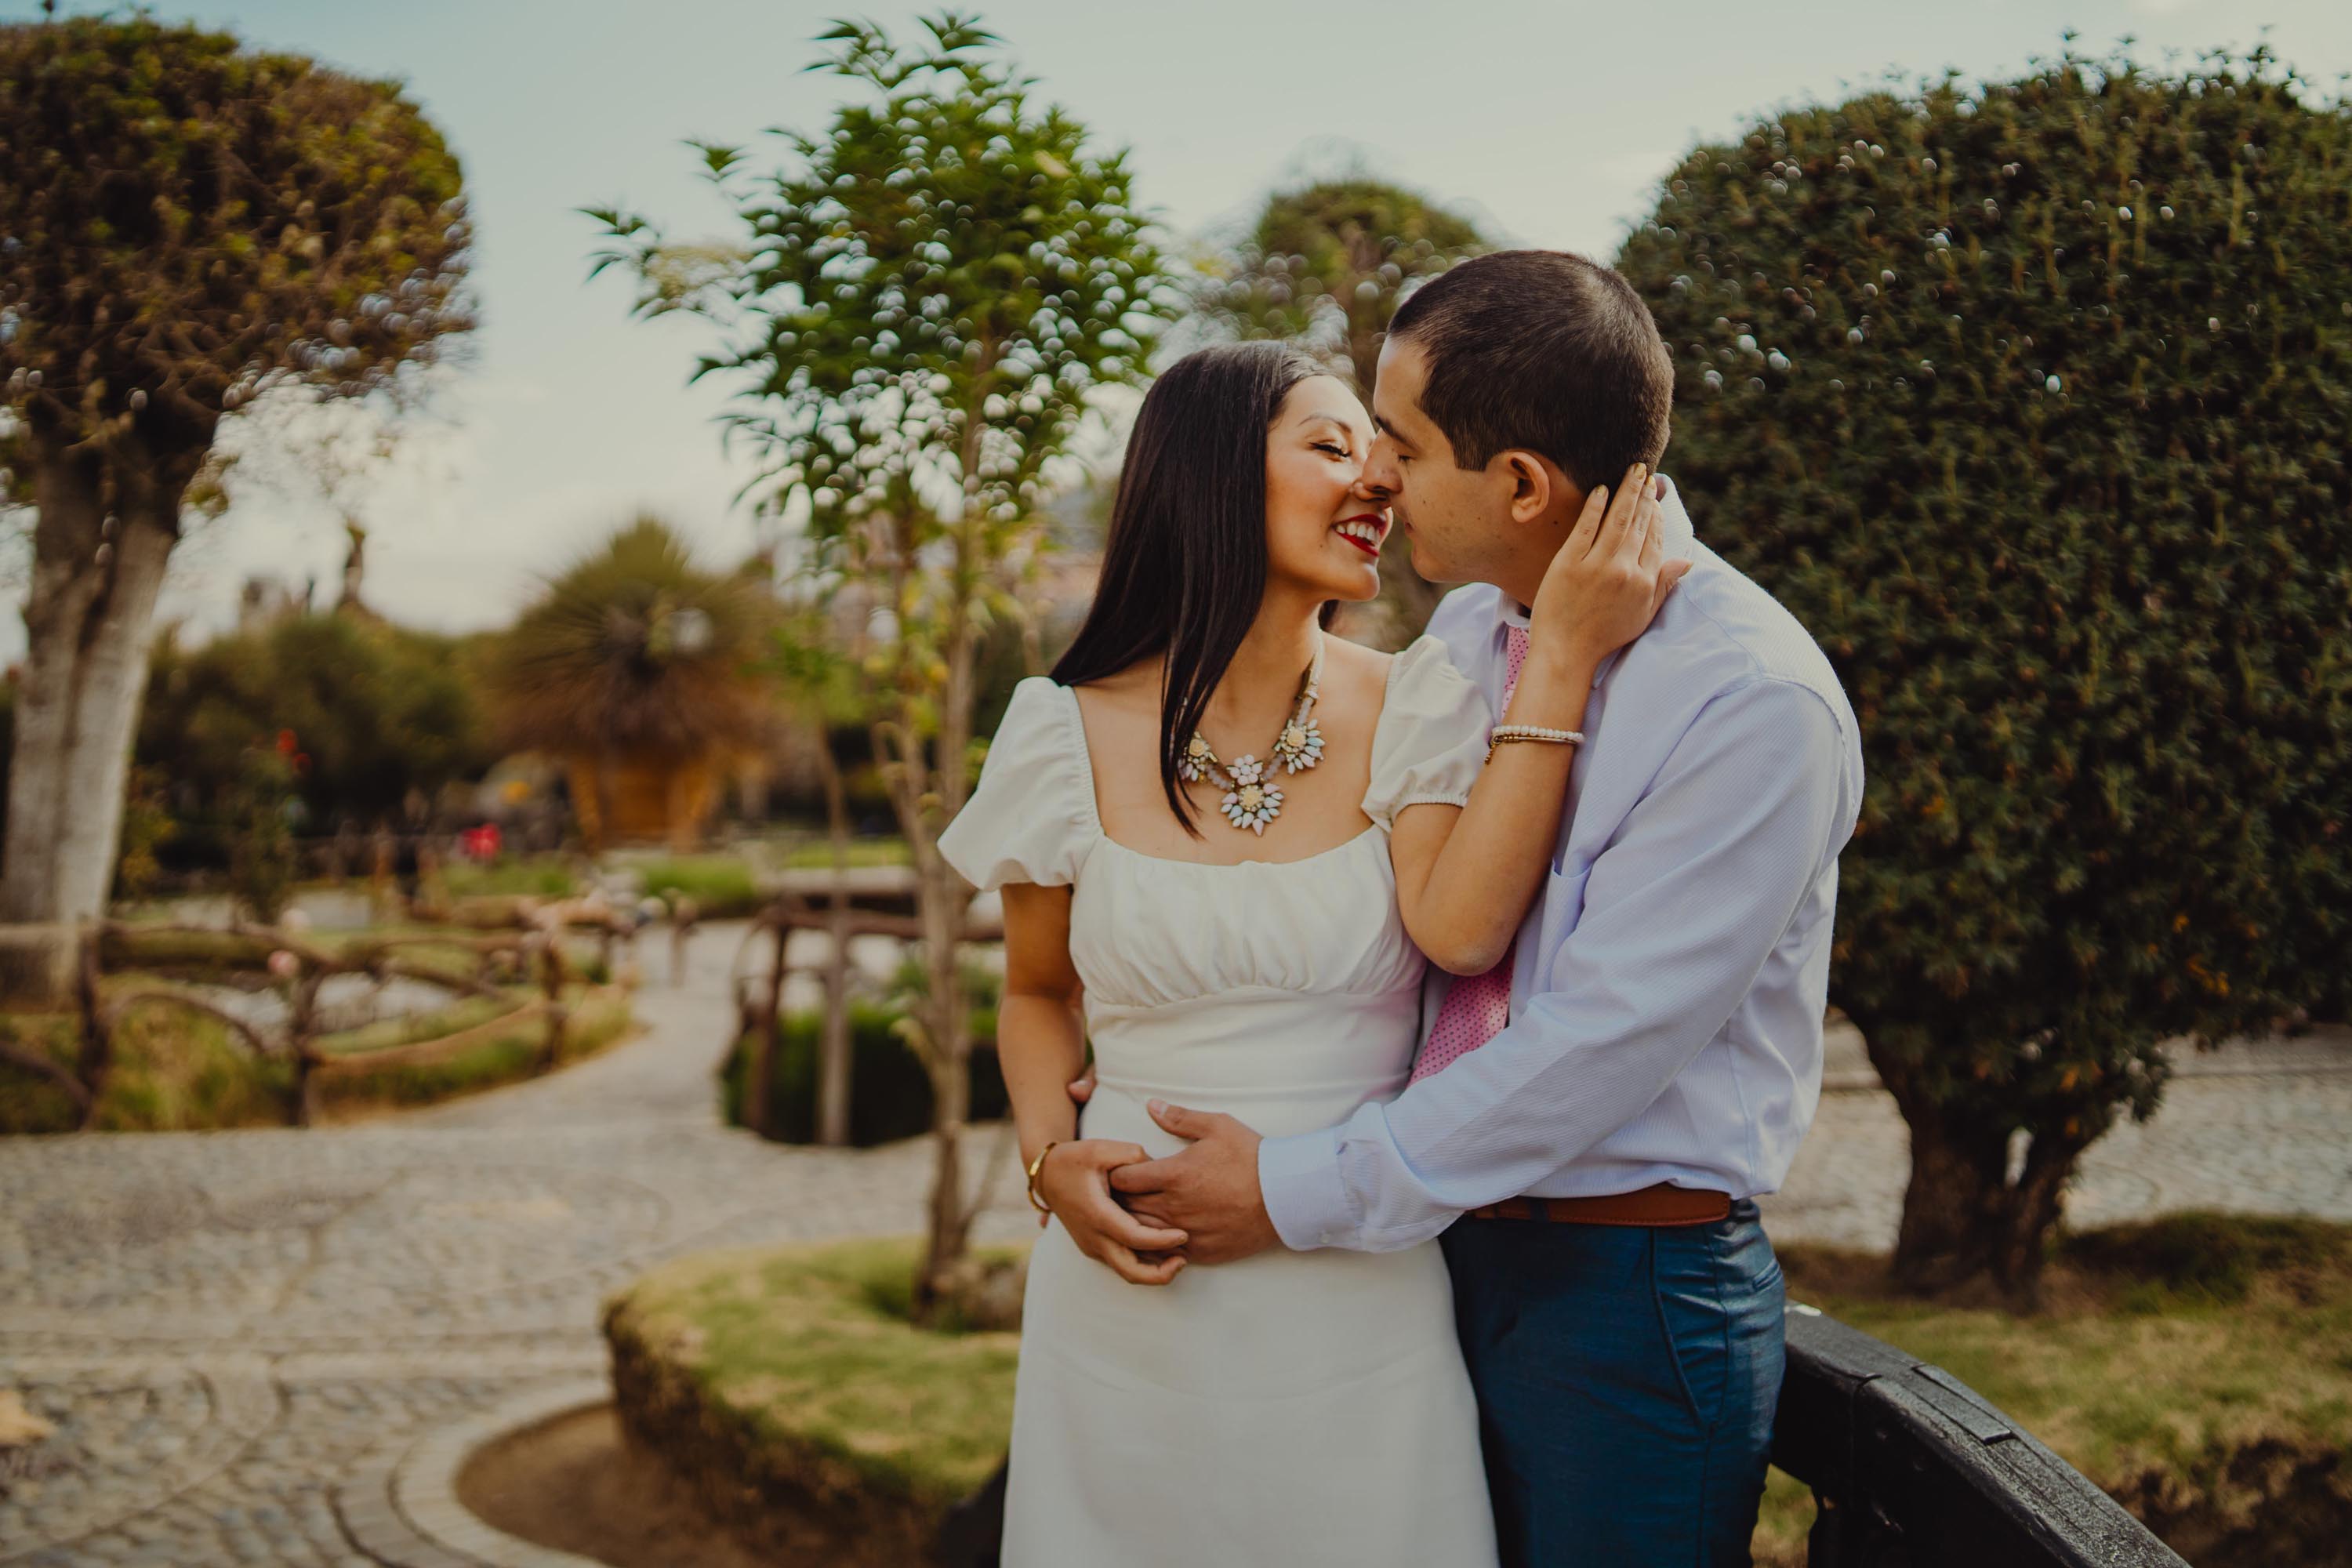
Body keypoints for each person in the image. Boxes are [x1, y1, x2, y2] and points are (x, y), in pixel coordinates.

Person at [1097, 251, 1864, 1566]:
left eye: (1397, 439)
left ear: (1519, 484)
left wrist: (1287, 1189)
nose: (1374, 475)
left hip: (1627, 1307)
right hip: (1431, 1266)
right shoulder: (1464, 639)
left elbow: (1591, 1050)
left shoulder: (1752, 705)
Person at [935, 336, 1682, 1566]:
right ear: (1213, 476)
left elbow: (1463, 929)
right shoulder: (1055, 731)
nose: (1378, 480)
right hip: (1128, 1293)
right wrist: (1046, 1163)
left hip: (1353, 1284)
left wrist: (1560, 651)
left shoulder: (1421, 699)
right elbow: (1033, 990)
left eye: (1382, 452)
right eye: (1333, 446)